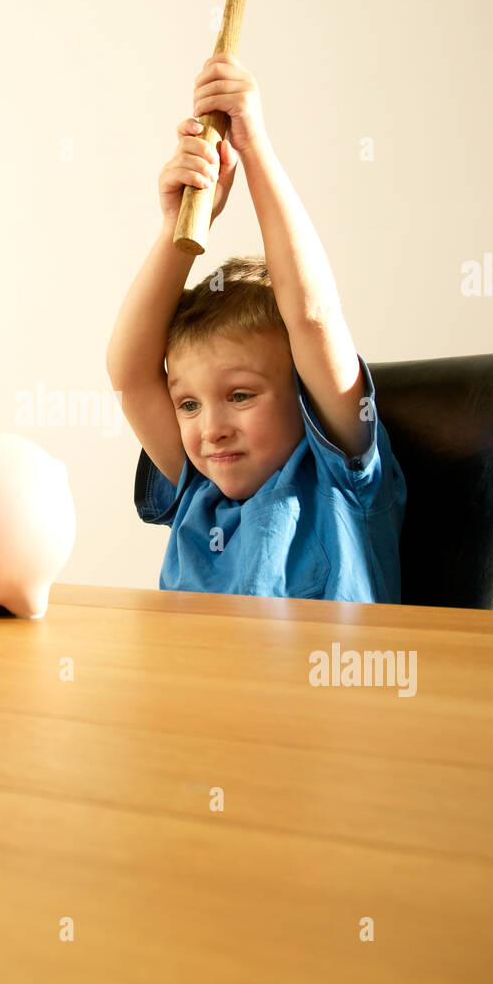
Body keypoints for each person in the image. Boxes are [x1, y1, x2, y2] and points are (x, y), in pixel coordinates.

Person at [105, 52, 406, 602]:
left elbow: (311, 317)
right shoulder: (197, 488)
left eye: (240, 395)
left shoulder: (339, 474)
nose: (211, 428)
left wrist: (254, 147)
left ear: (304, 391)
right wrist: (178, 227)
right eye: (189, 404)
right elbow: (129, 375)